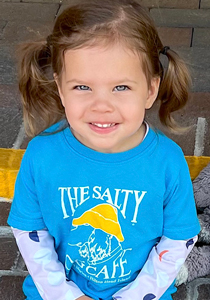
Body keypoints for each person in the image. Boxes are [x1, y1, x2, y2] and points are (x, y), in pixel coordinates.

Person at [8, 0, 200, 299]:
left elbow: (179, 238)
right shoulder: (41, 155)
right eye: (82, 87)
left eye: (120, 87)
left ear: (150, 89)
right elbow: (31, 233)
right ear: (60, 88)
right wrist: (67, 295)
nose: (101, 106)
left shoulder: (167, 162)